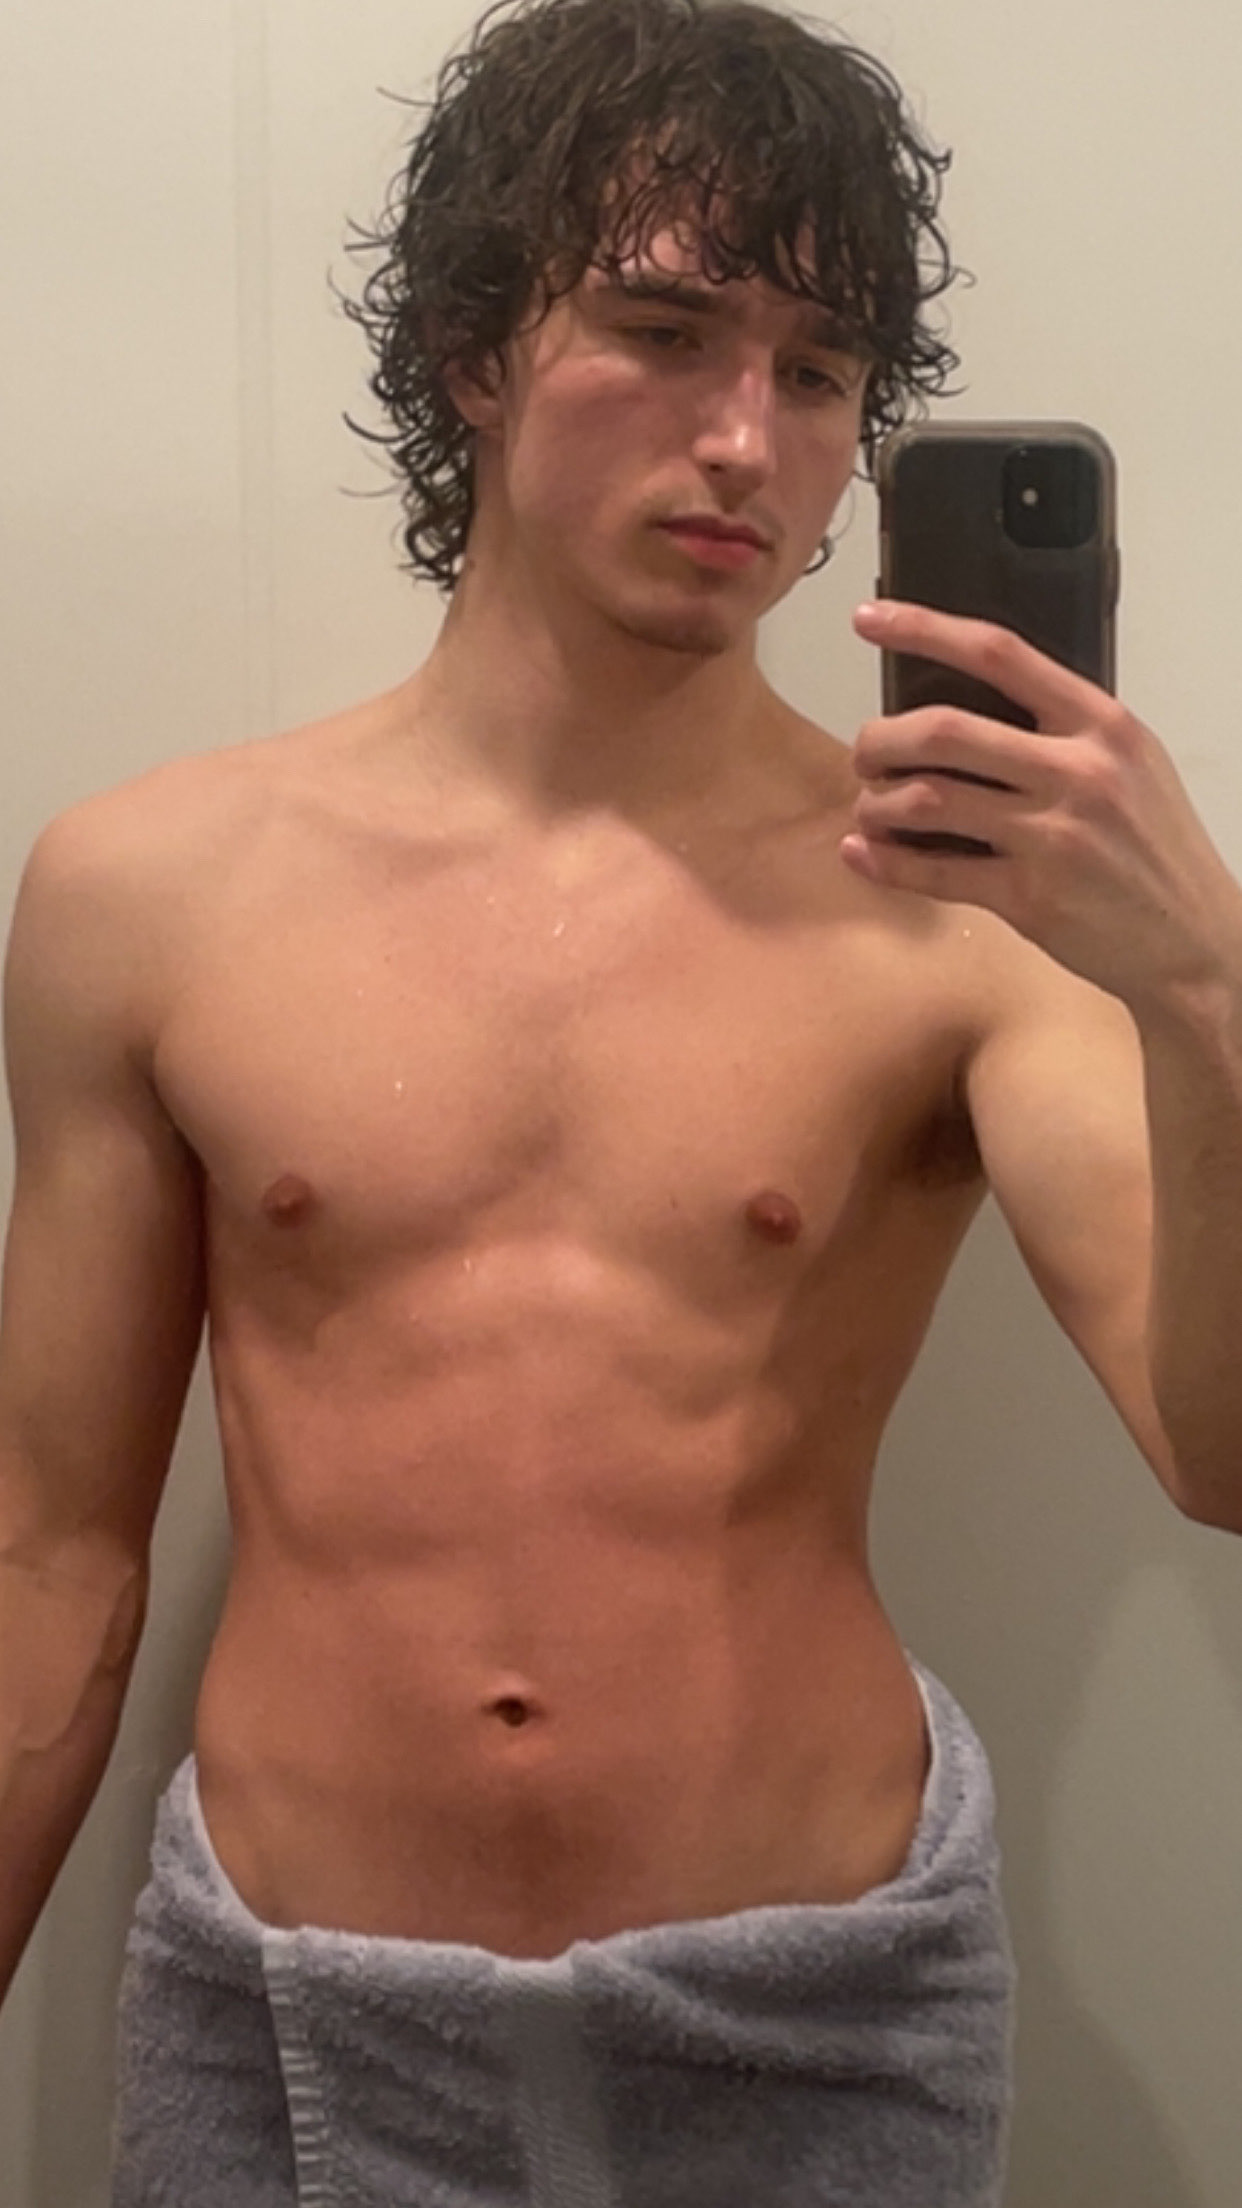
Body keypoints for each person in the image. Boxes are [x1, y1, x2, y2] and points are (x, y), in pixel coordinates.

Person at [3, 1, 1241, 2202]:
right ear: (474, 349)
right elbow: (52, 1557)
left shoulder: (966, 918)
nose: (747, 440)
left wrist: (1206, 989)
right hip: (285, 2014)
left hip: (817, 2023)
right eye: (664, 332)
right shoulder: (149, 892)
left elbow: (1221, 1457)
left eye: (818, 373)